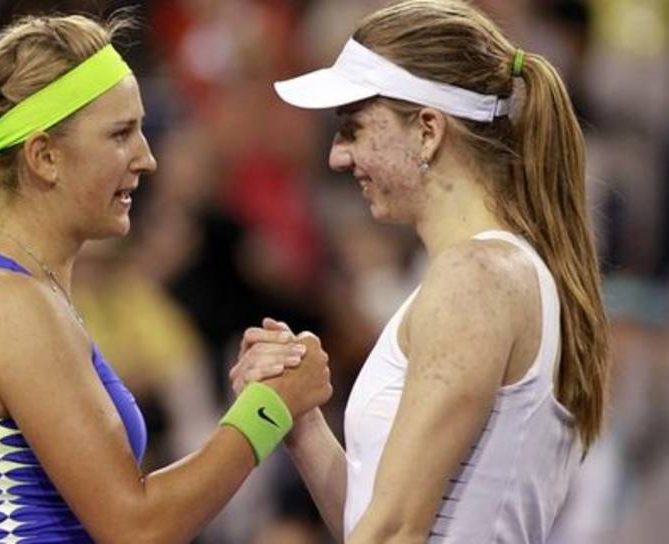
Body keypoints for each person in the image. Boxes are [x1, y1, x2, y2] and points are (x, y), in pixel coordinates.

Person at [0, 14, 332, 543]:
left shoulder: (26, 294)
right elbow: (137, 526)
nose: (147, 159)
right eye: (121, 134)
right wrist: (269, 408)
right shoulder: (5, 305)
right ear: (44, 156)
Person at [231, 1, 609, 542]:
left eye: (354, 128)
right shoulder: (481, 274)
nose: (338, 156)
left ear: (428, 130)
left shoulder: (477, 278)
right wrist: (303, 421)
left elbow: (393, 532)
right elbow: (377, 518)